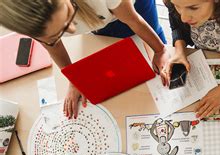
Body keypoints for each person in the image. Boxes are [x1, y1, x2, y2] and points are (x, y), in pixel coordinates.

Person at [0, 0, 169, 119]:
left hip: (133, 8)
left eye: (68, 17)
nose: (72, 29)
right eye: (57, 34)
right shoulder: (32, 21)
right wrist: (75, 79)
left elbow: (135, 21)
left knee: (149, 37)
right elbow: (54, 46)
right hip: (101, 15)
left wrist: (160, 49)